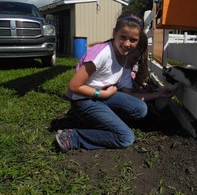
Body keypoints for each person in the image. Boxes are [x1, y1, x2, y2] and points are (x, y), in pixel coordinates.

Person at [56, 11, 173, 152]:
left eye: (133, 40)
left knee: (140, 108)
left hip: (102, 98)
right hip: (83, 101)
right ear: (114, 33)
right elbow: (74, 86)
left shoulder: (124, 59)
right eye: (123, 37)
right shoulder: (102, 53)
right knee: (125, 138)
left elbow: (129, 95)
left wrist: (158, 95)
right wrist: (102, 95)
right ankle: (72, 137)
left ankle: (103, 121)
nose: (127, 43)